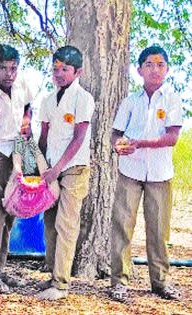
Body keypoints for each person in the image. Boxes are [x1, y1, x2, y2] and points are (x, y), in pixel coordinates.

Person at [109, 46, 183, 302]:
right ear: (139, 70)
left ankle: (160, 282)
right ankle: (119, 282)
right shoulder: (130, 102)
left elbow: (172, 137)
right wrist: (118, 145)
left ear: (167, 69)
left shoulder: (172, 99)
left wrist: (140, 143)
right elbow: (116, 134)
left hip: (161, 174)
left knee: (159, 230)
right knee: (122, 226)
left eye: (160, 64)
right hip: (130, 171)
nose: (155, 69)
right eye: (149, 64)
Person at [36, 45, 95, 301]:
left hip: (73, 168)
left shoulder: (83, 98)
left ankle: (61, 283)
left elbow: (79, 138)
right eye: (55, 68)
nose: (59, 73)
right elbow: (44, 137)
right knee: (49, 223)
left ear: (77, 71)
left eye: (65, 69)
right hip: (50, 170)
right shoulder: (48, 100)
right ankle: (52, 274)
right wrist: (38, 169)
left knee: (66, 223)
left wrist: (58, 167)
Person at [0, 44, 33, 294]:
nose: (9, 74)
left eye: (13, 68)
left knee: (11, 212)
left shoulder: (21, 86)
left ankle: (1, 268)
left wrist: (26, 124)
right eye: (2, 68)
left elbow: (28, 107)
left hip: (18, 155)